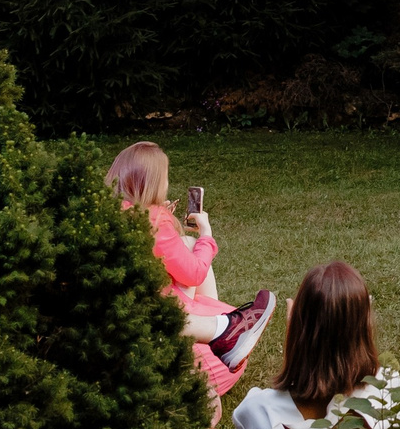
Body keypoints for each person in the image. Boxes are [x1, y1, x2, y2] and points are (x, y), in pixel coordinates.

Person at [103, 141, 278, 399]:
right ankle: (222, 335)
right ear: (152, 182)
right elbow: (194, 273)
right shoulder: (151, 220)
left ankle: (220, 329)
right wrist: (206, 233)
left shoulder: (110, 214)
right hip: (160, 325)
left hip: (121, 325)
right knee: (195, 246)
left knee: (187, 244)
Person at [234, 260, 400, 429]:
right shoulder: (385, 388)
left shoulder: (260, 412)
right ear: (363, 329)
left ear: (296, 329)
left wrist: (295, 345)